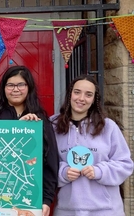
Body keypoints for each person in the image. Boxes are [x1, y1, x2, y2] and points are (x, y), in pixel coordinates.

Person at [0, 65, 59, 216]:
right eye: (10, 85)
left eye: (21, 84)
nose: (15, 89)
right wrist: (17, 129)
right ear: (4, 87)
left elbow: (50, 163)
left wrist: (47, 200)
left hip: (28, 200)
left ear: (28, 87)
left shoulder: (39, 119)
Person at [50, 75, 134, 216]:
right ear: (70, 94)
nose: (81, 98)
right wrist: (63, 173)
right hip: (67, 210)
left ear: (94, 99)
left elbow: (125, 164)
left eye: (88, 94)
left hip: (106, 210)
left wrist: (99, 171)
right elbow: (43, 166)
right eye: (77, 92)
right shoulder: (53, 125)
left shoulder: (108, 127)